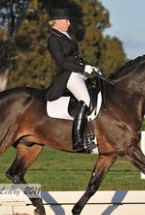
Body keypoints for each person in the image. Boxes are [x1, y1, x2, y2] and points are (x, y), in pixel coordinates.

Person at [45, 8, 99, 152]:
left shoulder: (67, 35)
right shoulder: (53, 39)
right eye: (66, 20)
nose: (69, 23)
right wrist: (82, 69)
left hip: (79, 72)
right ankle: (77, 141)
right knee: (86, 100)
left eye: (68, 20)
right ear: (56, 22)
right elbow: (62, 62)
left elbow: (77, 57)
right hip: (69, 75)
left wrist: (91, 67)